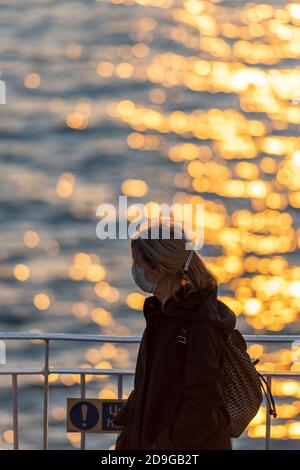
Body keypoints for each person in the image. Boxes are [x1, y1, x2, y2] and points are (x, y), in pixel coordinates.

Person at [113, 219, 236, 450]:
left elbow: (202, 407)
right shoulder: (161, 316)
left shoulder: (199, 325)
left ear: (158, 270)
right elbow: (148, 387)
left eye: (137, 263)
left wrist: (163, 447)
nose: (134, 270)